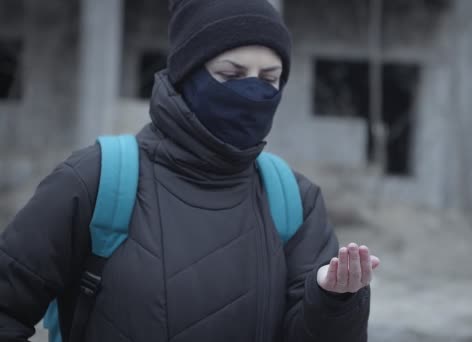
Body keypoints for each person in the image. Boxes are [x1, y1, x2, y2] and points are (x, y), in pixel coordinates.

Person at [0, 0, 380, 341]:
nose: (253, 91)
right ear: (186, 75)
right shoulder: (96, 180)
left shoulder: (294, 200)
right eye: (231, 74)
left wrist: (333, 302)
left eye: (268, 78)